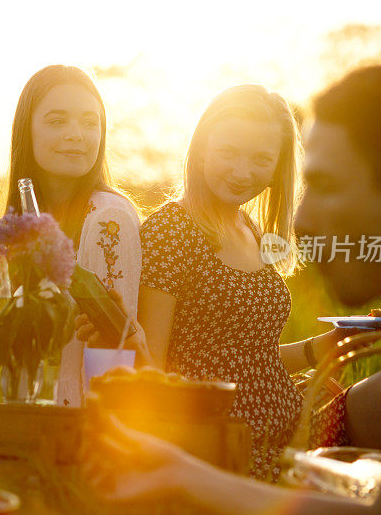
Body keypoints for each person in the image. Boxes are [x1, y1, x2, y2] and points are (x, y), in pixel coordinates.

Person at [84, 63, 381, 513]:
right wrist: (184, 473)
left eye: (326, 186)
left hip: (281, 421)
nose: (303, 221)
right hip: (237, 434)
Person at [136, 84, 360, 480]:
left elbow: (247, 352)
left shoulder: (251, 230)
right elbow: (151, 364)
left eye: (261, 159)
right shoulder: (170, 230)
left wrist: (318, 350)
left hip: (291, 428)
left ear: (279, 166)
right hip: (225, 444)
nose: (243, 173)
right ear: (202, 147)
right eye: (228, 153)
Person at [0, 65, 143, 407]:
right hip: (19, 408)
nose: (77, 134)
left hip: (81, 419)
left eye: (90, 123)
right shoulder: (18, 223)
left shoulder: (109, 218)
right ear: (25, 132)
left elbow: (112, 355)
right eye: (57, 121)